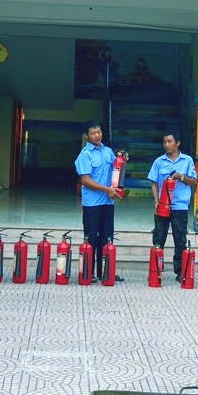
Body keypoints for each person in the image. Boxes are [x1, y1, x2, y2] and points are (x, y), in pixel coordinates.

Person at [75, 121, 123, 282]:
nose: (97, 135)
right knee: (91, 238)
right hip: (92, 203)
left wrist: (122, 160)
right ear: (86, 136)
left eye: (99, 132)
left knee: (107, 237)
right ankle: (88, 273)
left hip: (108, 202)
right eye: (93, 133)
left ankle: (105, 271)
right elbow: (85, 180)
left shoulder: (108, 152)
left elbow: (116, 170)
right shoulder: (84, 155)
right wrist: (107, 190)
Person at [147, 132, 197, 281]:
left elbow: (194, 181)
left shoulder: (187, 160)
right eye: (164, 142)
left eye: (169, 141)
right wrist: (156, 202)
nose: (166, 145)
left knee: (180, 239)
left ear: (178, 143)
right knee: (158, 238)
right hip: (163, 206)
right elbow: (153, 183)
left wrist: (181, 177)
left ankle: (180, 271)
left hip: (180, 206)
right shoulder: (159, 161)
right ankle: (156, 270)